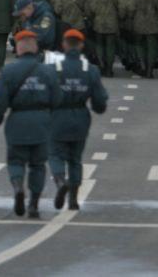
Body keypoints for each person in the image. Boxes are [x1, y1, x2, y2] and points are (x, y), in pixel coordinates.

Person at [0, 30, 60, 219]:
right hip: (42, 123)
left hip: (17, 121)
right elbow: (58, 99)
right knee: (37, 165)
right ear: (35, 48)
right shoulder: (48, 71)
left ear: (18, 48)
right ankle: (34, 204)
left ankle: (18, 187)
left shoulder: (9, 71)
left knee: (15, 161)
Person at [48, 29, 107, 211]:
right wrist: (97, 107)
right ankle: (73, 198)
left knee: (56, 155)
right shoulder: (90, 70)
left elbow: (43, 95)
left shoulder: (53, 69)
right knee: (75, 159)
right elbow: (99, 101)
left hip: (57, 116)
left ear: (64, 45)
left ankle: (60, 182)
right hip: (80, 117)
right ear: (81, 46)